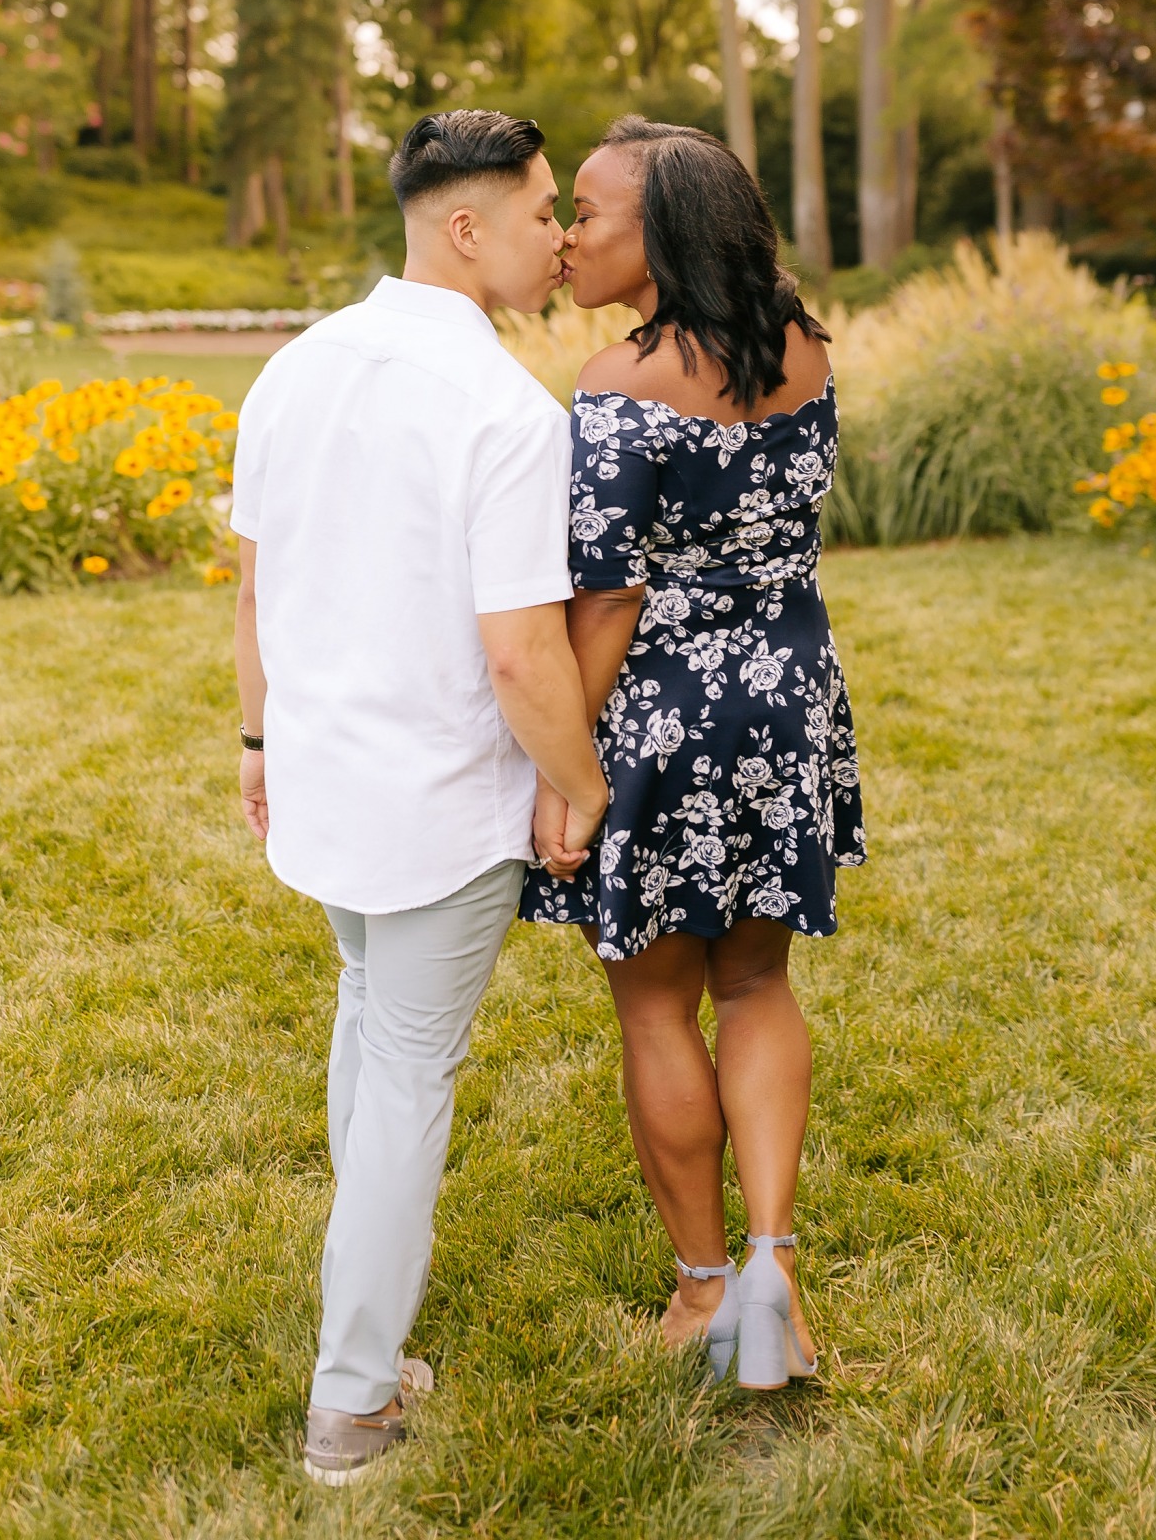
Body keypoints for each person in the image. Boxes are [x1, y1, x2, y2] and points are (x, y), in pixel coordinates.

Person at [230, 110, 607, 1485]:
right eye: (540, 209)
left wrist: (260, 746)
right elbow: (521, 651)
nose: (557, 232)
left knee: (367, 1026)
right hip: (438, 802)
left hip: (327, 787)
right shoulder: (503, 412)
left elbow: (256, 588)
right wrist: (583, 787)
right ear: (469, 227)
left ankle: (370, 1345)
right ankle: (353, 1405)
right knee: (404, 1076)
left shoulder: (295, 365)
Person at [522, 115, 866, 1390]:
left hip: (662, 711)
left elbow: (604, 601)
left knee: (656, 998)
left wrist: (569, 764)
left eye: (593, 215)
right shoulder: (806, 347)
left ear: (659, 237)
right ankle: (777, 1263)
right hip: (788, 693)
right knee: (760, 985)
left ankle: (705, 1289)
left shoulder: (617, 386)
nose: (568, 239)